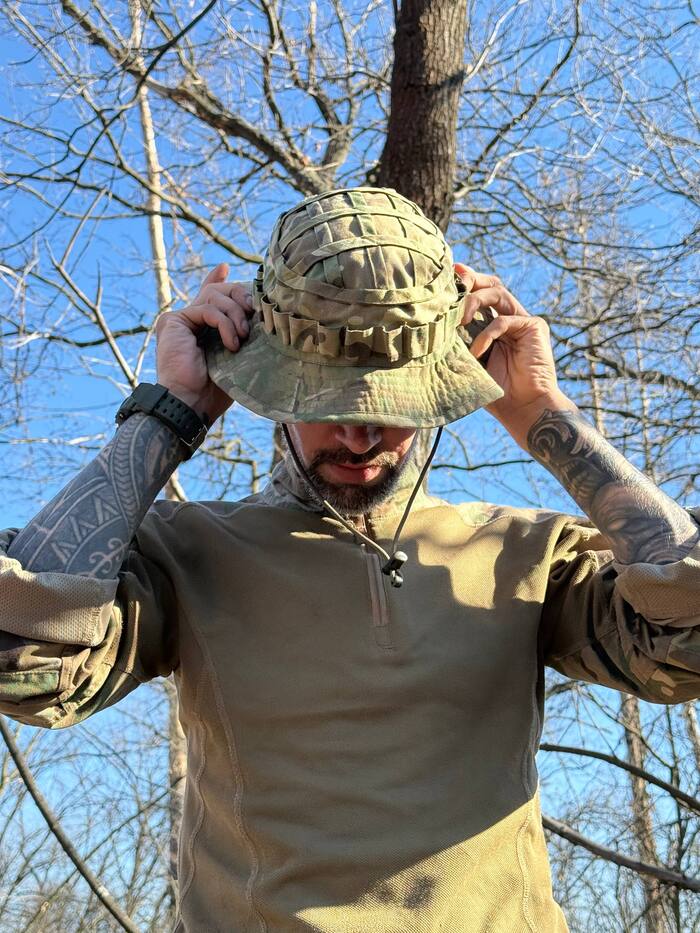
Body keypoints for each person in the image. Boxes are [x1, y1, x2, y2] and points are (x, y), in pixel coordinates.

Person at [1, 187, 698, 933]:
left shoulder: (525, 553)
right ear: (270, 384)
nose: (359, 436)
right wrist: (170, 410)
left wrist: (544, 415)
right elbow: (24, 663)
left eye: (391, 403)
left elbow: (687, 642)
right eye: (327, 400)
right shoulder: (184, 551)